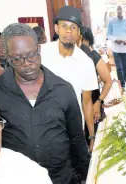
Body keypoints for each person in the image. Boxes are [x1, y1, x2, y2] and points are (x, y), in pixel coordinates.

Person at [0, 23, 90, 184]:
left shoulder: (63, 89)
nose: (27, 64)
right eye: (17, 59)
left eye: (32, 56)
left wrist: (85, 176)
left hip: (61, 181)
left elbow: (76, 137)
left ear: (39, 50)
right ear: (7, 58)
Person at [42, 6, 99, 151]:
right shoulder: (41, 53)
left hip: (73, 128)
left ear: (79, 32)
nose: (69, 31)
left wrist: (91, 137)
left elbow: (87, 102)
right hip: (43, 126)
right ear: (56, 28)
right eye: (64, 26)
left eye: (73, 27)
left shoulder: (85, 62)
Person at [80, 26, 114, 127]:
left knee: (94, 128)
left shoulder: (94, 55)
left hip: (93, 98)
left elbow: (108, 77)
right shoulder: (75, 56)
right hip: (83, 101)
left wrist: (98, 101)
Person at [107, 4, 126, 89]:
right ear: (116, 11)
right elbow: (108, 35)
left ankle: (123, 82)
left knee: (125, 68)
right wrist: (115, 40)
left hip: (125, 49)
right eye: (117, 9)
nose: (119, 11)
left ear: (123, 10)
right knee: (119, 68)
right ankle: (121, 84)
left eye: (120, 9)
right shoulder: (111, 21)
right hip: (116, 49)